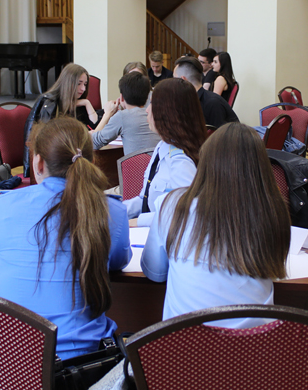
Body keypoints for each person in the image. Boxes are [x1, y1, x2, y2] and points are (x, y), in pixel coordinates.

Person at [0, 117, 130, 360]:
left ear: (38, 163)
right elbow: (118, 262)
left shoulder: (1, 206)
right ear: (91, 160)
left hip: (11, 360)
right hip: (83, 362)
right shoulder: (111, 210)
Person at [141, 123, 290, 327]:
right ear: (261, 168)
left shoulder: (173, 205)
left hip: (183, 344)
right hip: (254, 344)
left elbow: (155, 272)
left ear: (205, 162)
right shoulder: (273, 211)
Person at [123, 78, 206, 226]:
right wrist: (115, 211)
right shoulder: (162, 146)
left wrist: (135, 222)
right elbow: (145, 200)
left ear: (168, 112)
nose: (147, 110)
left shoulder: (182, 161)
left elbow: (183, 214)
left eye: (152, 104)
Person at [23, 63, 100, 175]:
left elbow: (94, 128)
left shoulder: (79, 103)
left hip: (72, 158)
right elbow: (46, 140)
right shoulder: (50, 103)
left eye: (85, 84)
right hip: (52, 164)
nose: (83, 89)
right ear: (68, 83)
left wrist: (87, 103)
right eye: (79, 83)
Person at [90, 71, 160, 155]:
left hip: (134, 164)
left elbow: (93, 143)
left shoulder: (122, 117)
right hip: (156, 163)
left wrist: (107, 114)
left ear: (121, 97)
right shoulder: (156, 115)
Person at [173, 56, 239, 128]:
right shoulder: (190, 100)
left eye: (174, 79)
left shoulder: (212, 103)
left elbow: (219, 133)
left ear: (183, 80)